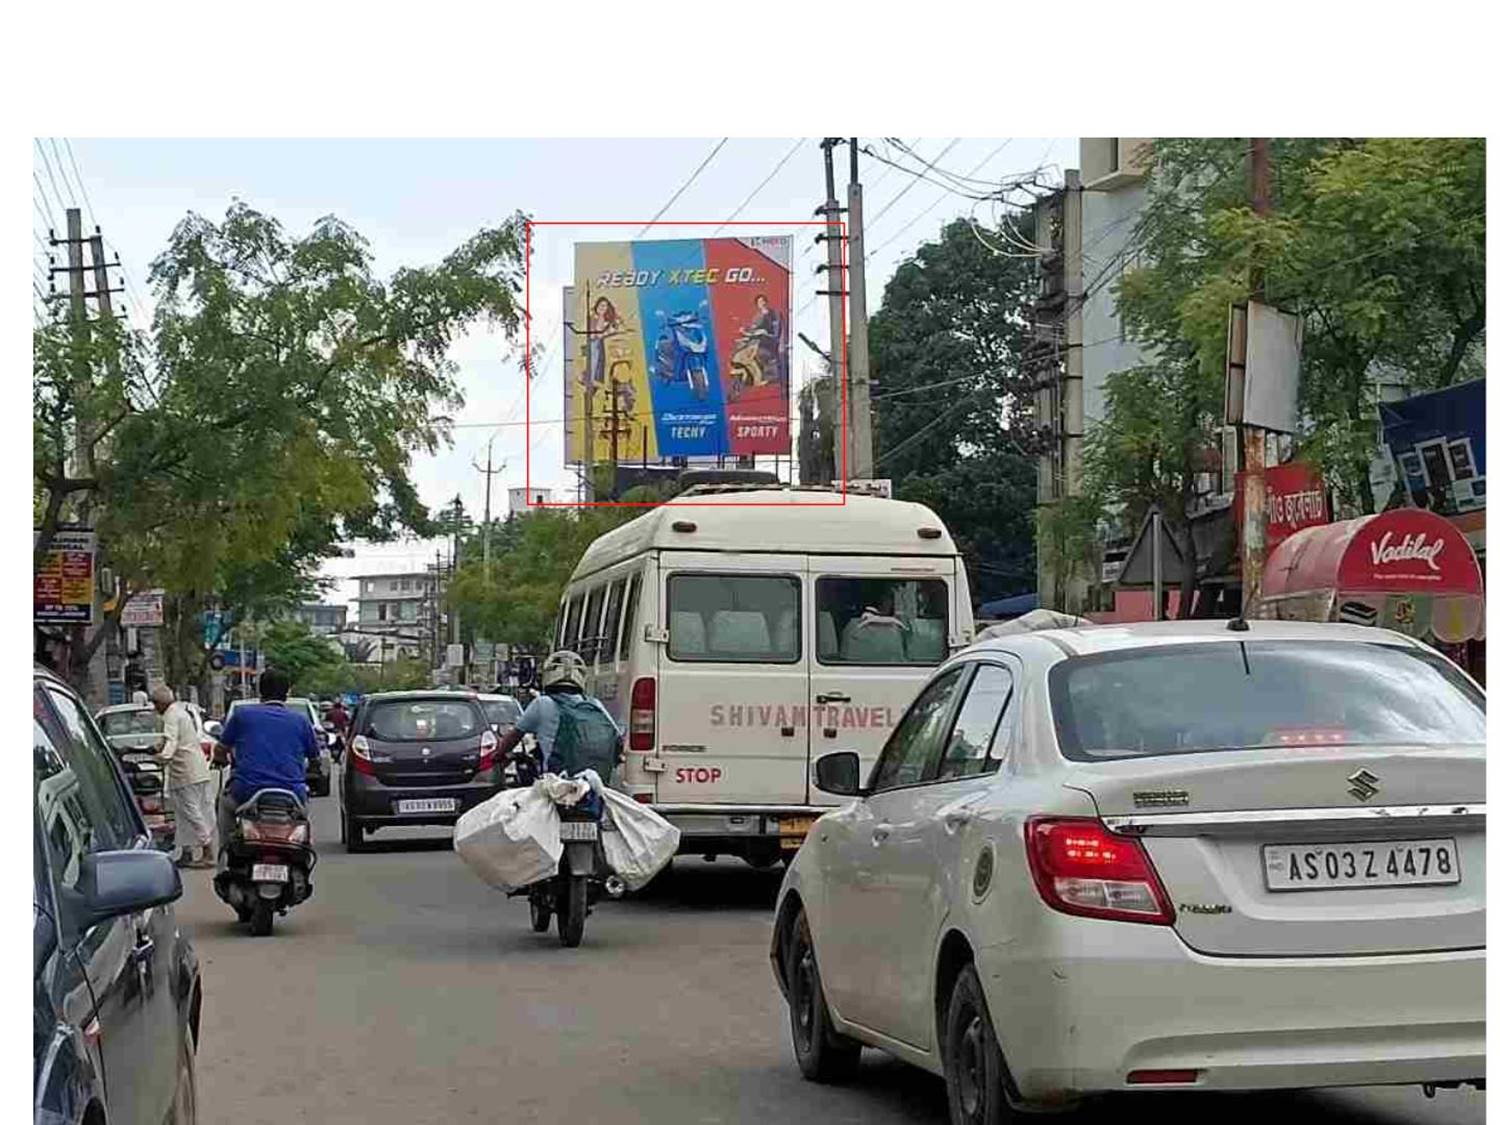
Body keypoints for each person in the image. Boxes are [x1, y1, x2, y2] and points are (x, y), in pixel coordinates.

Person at [213, 667, 319, 866]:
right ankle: (302, 861)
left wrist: (221, 759)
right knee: (304, 821)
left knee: (224, 807)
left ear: (260, 691)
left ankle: (225, 859)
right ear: (287, 692)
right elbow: (315, 758)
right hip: (292, 794)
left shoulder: (242, 716)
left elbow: (220, 749)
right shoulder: (301, 721)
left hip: (246, 792)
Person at [494, 651, 621, 799]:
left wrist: (496, 756)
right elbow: (618, 740)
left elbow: (513, 737)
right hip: (597, 787)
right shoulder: (595, 704)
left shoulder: (542, 703)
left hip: (558, 788)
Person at [151, 685, 216, 868]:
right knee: (186, 814)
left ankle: (208, 852)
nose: (155, 708)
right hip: (197, 770)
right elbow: (171, 739)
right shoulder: (180, 712)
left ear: (160, 703)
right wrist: (157, 747)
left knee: (190, 813)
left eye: (155, 704)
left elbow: (171, 742)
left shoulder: (170, 716)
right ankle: (187, 852)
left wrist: (162, 758)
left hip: (185, 773)